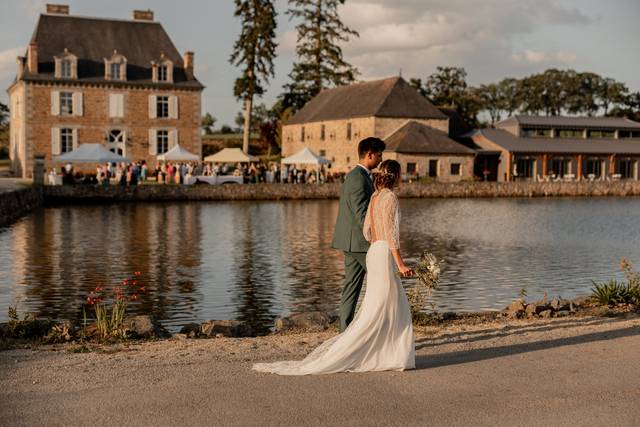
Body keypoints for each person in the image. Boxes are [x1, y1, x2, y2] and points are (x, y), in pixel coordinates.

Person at [252, 159, 415, 375]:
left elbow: (367, 230)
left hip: (373, 251)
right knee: (390, 305)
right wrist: (401, 263)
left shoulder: (375, 197)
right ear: (395, 175)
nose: (402, 177)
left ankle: (381, 351)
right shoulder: (390, 197)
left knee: (375, 306)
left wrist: (378, 245)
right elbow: (392, 234)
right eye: (401, 173)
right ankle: (388, 353)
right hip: (384, 253)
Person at [333, 137, 385, 332]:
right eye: (379, 155)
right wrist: (379, 237)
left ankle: (345, 331)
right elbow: (361, 214)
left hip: (352, 242)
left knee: (352, 286)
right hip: (359, 243)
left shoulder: (359, 175)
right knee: (383, 282)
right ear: (370, 154)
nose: (381, 159)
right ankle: (373, 328)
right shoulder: (357, 178)